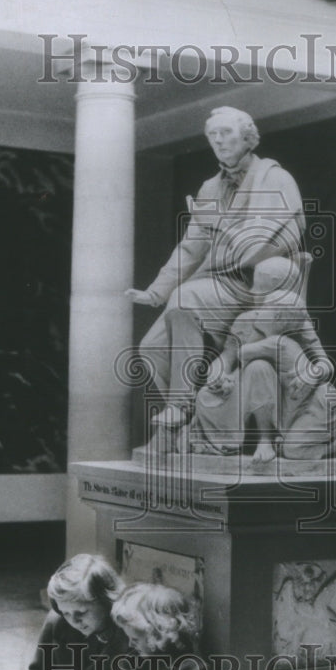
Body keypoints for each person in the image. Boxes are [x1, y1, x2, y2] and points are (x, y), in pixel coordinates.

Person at [126, 107, 305, 440]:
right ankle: (190, 421)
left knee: (187, 296)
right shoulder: (211, 187)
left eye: (226, 133)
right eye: (213, 135)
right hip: (217, 284)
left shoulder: (275, 178)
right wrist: (155, 291)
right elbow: (191, 247)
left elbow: (267, 241)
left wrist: (219, 224)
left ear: (248, 137)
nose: (219, 141)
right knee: (150, 348)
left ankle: (179, 406)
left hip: (259, 287)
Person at [182, 256, 336, 467]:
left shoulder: (296, 319)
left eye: (258, 288)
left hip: (292, 394)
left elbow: (325, 363)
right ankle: (219, 440)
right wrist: (217, 375)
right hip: (256, 388)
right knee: (205, 395)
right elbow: (227, 357)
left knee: (260, 366)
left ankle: (266, 440)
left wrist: (312, 374)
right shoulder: (246, 320)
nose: (251, 292)